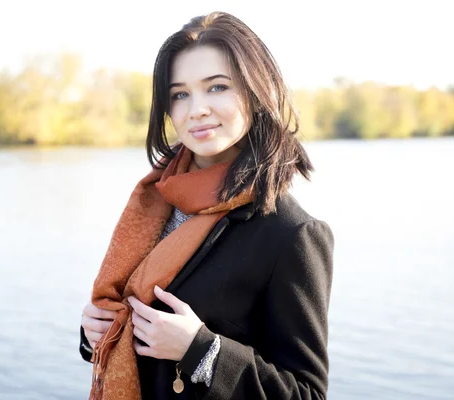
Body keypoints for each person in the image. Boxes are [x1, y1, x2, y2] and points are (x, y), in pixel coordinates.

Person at [79, 11, 334, 400]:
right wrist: (94, 333)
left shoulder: (291, 234)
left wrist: (202, 351)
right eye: (180, 94)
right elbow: (130, 323)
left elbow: (306, 393)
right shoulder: (154, 200)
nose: (196, 109)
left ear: (255, 91)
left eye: (216, 87)